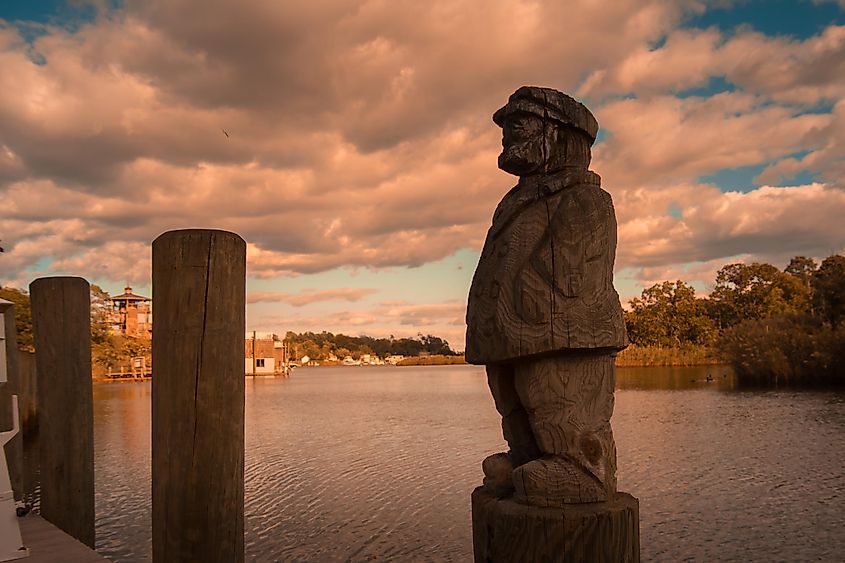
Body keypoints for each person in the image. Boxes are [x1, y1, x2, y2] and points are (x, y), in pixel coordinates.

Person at [466, 86, 628, 505]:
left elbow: (571, 276)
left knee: (555, 400)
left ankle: (582, 471)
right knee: (515, 406)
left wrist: (521, 306)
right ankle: (528, 457)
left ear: (558, 132)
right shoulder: (516, 201)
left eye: (518, 124)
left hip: (557, 338)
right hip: (511, 336)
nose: (506, 134)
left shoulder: (587, 199)